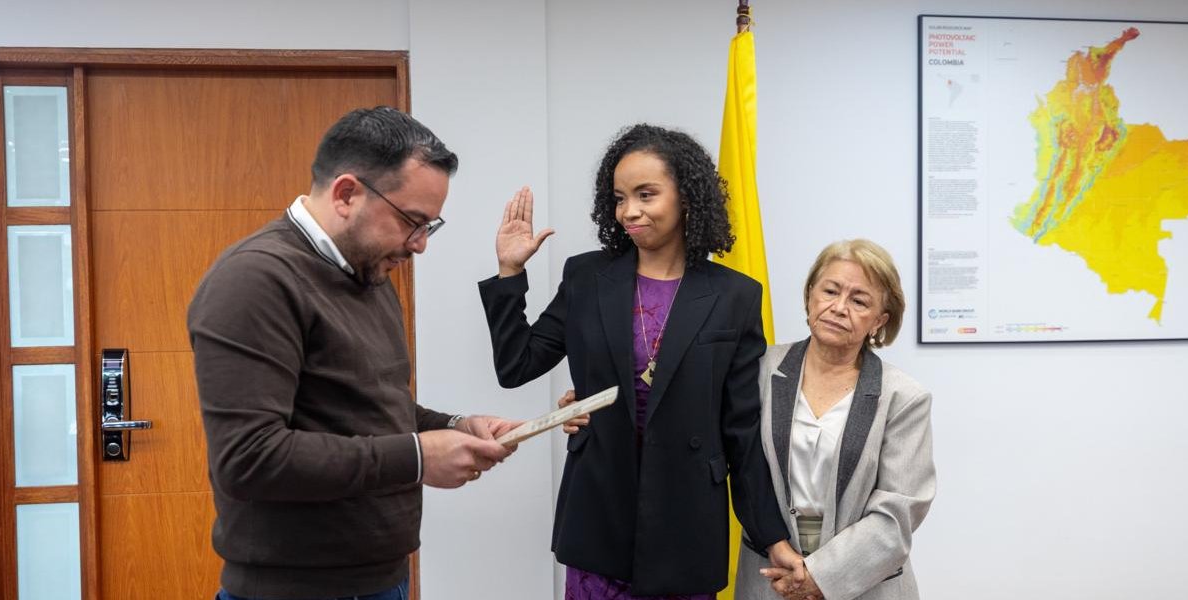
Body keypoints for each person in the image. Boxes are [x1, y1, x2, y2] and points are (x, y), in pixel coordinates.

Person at [188, 106, 520, 600]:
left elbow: (364, 405)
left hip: (380, 578)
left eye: (431, 225)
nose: (420, 245)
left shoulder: (367, 269)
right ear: (347, 193)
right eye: (412, 221)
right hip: (293, 590)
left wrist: (450, 427)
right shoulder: (256, 279)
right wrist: (416, 456)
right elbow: (250, 458)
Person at [478, 124, 803, 598]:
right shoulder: (587, 276)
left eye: (646, 194)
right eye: (619, 197)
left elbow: (741, 433)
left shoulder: (734, 296)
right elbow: (517, 365)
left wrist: (772, 537)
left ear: (686, 197)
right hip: (599, 517)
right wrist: (510, 272)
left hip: (687, 525)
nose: (629, 211)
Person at [737, 239, 936, 600]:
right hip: (769, 579)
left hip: (866, 585)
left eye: (859, 301)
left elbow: (899, 511)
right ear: (810, 295)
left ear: (879, 321)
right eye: (830, 290)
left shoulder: (904, 397)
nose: (839, 308)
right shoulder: (758, 371)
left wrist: (820, 576)